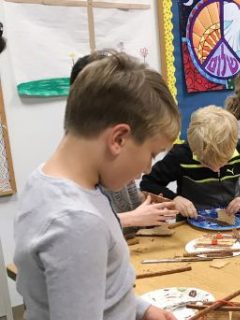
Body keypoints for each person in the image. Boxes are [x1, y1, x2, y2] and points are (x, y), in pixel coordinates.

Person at [12, 51, 181, 320]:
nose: (149, 169)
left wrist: (140, 310)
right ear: (118, 139)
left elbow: (84, 292)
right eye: (153, 153)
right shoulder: (76, 220)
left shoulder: (52, 180)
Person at [70, 52, 178, 234]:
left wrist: (150, 204)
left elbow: (130, 199)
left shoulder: (116, 164)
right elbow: (79, 229)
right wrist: (133, 218)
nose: (147, 168)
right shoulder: (77, 178)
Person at [140, 105, 240, 218]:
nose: (215, 169)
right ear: (194, 149)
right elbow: (148, 183)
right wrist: (174, 199)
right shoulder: (181, 155)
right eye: (205, 162)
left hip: (232, 219)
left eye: (223, 162)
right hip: (190, 222)